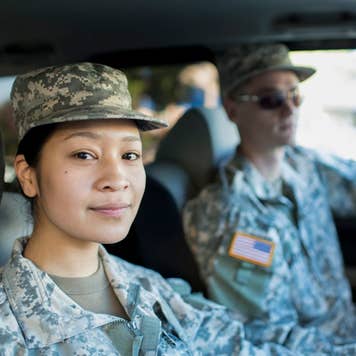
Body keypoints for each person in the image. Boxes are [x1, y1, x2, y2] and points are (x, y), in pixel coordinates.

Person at [0, 62, 320, 355]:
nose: (117, 179)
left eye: (129, 155)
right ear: (29, 176)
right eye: (84, 154)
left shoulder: (152, 288)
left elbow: (244, 347)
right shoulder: (10, 325)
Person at [183, 44, 356, 350]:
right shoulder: (229, 211)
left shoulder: (301, 164)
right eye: (271, 99)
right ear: (233, 109)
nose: (289, 109)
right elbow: (264, 332)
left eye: (295, 95)